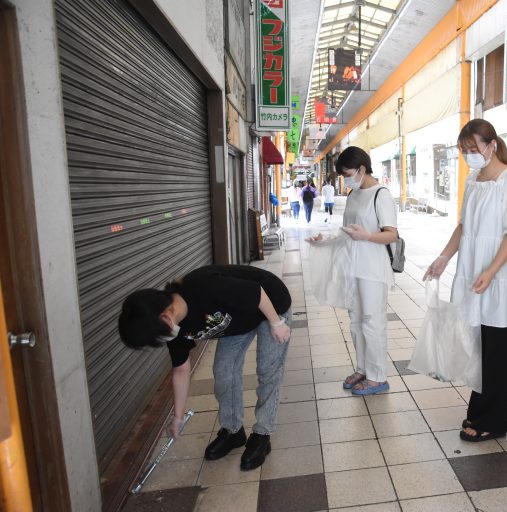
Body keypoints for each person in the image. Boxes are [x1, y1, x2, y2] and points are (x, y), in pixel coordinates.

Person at [424, 119, 507, 442]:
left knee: (499, 350)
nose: (469, 155)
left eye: (474, 149)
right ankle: (479, 409)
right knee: (481, 347)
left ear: (493, 145)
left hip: (499, 277)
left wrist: (492, 270)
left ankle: (495, 420)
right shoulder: (473, 181)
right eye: (464, 151)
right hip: (476, 274)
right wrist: (444, 258)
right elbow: (463, 227)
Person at [118, 265, 292, 471]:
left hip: (270, 304)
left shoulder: (203, 287)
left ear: (164, 316)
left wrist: (276, 323)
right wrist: (178, 417)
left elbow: (257, 293)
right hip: (239, 320)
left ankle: (262, 434)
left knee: (268, 369)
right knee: (223, 371)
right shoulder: (173, 329)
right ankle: (233, 431)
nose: (160, 341)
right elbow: (181, 370)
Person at [335, 146, 399, 395]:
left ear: (362, 169)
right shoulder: (353, 194)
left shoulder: (380, 194)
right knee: (356, 322)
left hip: (373, 269)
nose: (346, 178)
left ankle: (377, 377)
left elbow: (391, 234)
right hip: (354, 266)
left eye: (348, 173)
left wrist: (367, 236)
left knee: (373, 323)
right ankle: (362, 368)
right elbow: (348, 229)